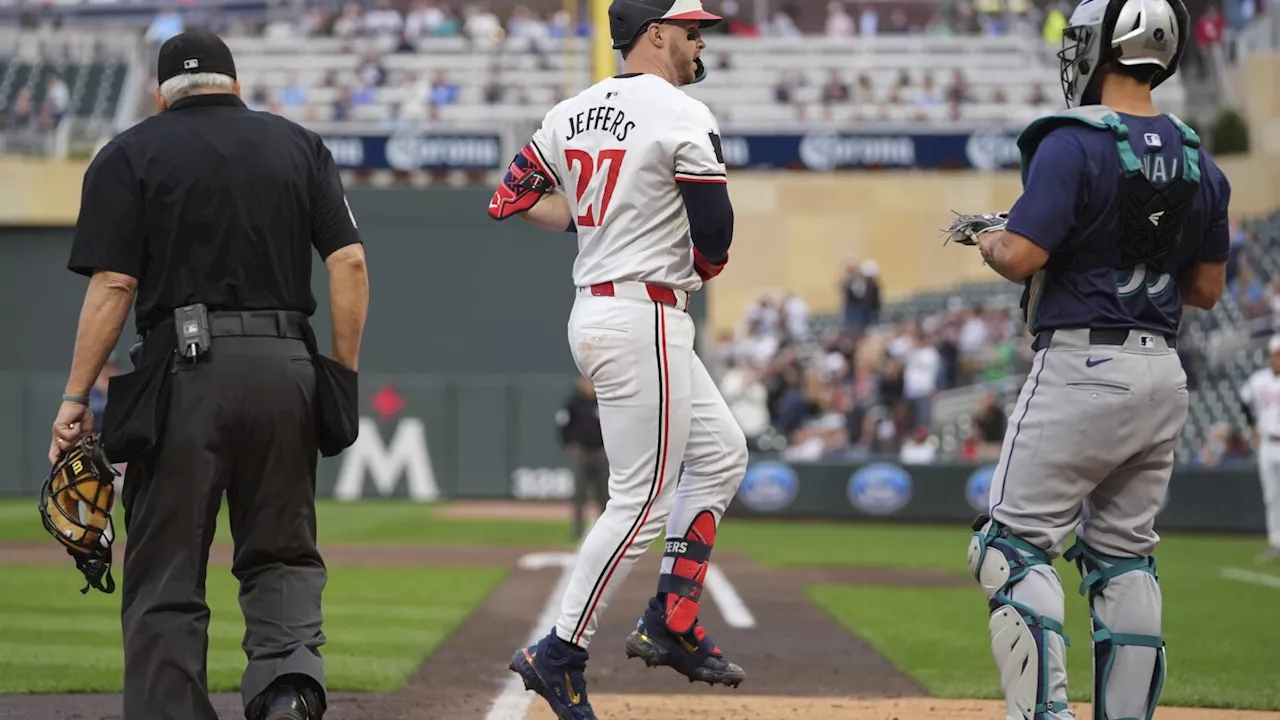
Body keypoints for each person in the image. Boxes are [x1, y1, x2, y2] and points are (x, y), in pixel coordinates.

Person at [49, 29, 368, 720]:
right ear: (236, 85)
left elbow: (113, 282)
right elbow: (349, 264)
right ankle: (286, 696)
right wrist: (338, 376)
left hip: (183, 372)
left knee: (167, 570)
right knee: (282, 552)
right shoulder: (299, 145)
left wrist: (76, 397)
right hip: (287, 365)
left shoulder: (129, 152)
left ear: (161, 96)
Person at [947, 0, 1231, 718]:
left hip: (1082, 365)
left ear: (1105, 47)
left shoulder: (1070, 142)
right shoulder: (1201, 157)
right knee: (1124, 554)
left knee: (1010, 547)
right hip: (1161, 371)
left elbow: (1022, 257)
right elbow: (1206, 289)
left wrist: (988, 234)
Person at [487, 0, 747, 716]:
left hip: (601, 304)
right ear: (655, 33)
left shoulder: (570, 111)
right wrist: (697, 260)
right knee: (641, 501)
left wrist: (589, 213)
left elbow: (508, 200)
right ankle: (560, 649)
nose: (700, 41)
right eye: (691, 29)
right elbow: (716, 238)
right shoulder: (678, 110)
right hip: (644, 314)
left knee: (722, 453)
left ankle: (674, 617)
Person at [1240, 335, 1280, 563]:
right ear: (1269, 357)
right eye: (1276, 355)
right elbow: (1244, 400)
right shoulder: (1259, 380)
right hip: (1267, 444)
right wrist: (1252, 425)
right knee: (1272, 496)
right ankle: (1276, 543)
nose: (1278, 359)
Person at [558, 374, 609, 540]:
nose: (588, 385)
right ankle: (577, 530)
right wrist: (569, 444)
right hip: (581, 454)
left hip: (600, 454)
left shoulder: (603, 402)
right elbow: (562, 425)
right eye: (584, 382)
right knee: (579, 494)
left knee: (604, 495)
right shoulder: (573, 403)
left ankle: (607, 530)